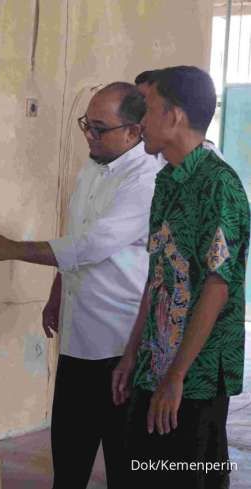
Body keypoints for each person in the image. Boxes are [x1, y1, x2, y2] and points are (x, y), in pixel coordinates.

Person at [0, 82, 162, 488]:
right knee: (70, 458)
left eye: (100, 128)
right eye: (86, 124)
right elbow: (75, 234)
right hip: (77, 338)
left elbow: (92, 245)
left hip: (118, 346)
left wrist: (11, 249)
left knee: (123, 465)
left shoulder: (146, 179)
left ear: (134, 131)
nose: (89, 135)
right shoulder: (95, 165)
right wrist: (58, 290)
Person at [113, 66, 249, 489]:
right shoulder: (167, 181)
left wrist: (177, 376)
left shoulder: (218, 185)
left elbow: (217, 286)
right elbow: (158, 277)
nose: (139, 121)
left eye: (147, 109)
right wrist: (132, 352)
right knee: (142, 472)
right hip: (155, 365)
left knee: (187, 475)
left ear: (173, 116)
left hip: (197, 376)